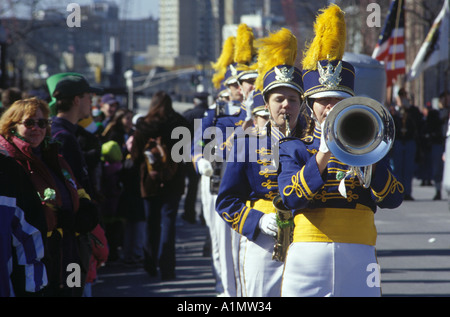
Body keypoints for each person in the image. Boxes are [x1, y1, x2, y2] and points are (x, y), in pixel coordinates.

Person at [277, 4, 404, 297]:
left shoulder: (369, 143)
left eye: (337, 98)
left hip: (360, 252)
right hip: (307, 254)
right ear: (310, 104)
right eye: (323, 100)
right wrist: (321, 156)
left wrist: (367, 159)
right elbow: (289, 198)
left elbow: (394, 198)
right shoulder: (294, 147)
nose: (330, 106)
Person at [215, 27, 302, 297]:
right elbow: (226, 202)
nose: (285, 106)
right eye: (279, 99)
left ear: (302, 103)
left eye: (292, 99)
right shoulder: (246, 145)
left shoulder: (313, 144)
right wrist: (257, 221)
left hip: (308, 238)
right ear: (266, 102)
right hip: (263, 239)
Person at [0, 97, 98, 296]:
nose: (37, 128)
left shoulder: (54, 157)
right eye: (29, 122)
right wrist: (54, 219)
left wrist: (86, 207)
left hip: (70, 250)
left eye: (42, 122)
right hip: (39, 256)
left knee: (73, 292)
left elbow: (76, 187)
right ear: (12, 126)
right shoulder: (10, 164)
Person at [49, 73, 103, 295]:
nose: (92, 102)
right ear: (77, 100)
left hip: (71, 231)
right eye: (89, 96)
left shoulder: (66, 133)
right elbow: (72, 188)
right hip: (71, 236)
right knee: (74, 289)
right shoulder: (64, 137)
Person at [131, 90, 188, 280]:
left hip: (150, 181)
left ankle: (149, 264)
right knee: (169, 224)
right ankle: (167, 268)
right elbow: (185, 155)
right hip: (173, 180)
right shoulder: (180, 124)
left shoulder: (144, 126)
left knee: (151, 223)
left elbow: (136, 156)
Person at [0, 153, 47, 297]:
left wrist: (31, 290)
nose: (36, 129)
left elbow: (29, 235)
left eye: (42, 127)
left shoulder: (7, 169)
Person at [182, 92, 209, 224]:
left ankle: (189, 213)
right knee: (207, 187)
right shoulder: (210, 113)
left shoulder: (188, 114)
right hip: (208, 155)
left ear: (194, 102)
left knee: (192, 187)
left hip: (189, 154)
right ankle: (204, 216)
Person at [391, 88, 421, 200]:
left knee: (408, 168)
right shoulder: (394, 110)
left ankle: (407, 192)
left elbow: (418, 123)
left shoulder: (412, 110)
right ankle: (398, 192)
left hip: (409, 140)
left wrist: (409, 109)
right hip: (398, 140)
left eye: (404, 95)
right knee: (397, 168)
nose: (403, 98)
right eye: (401, 95)